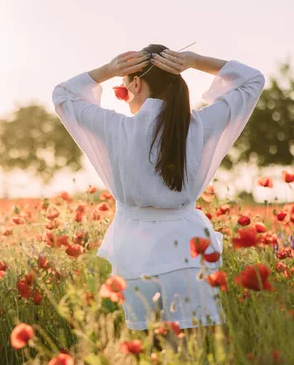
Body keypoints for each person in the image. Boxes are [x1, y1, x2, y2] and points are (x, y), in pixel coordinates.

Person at [51, 44, 265, 331]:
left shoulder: (116, 128)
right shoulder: (198, 125)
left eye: (124, 86)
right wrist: (195, 61)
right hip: (190, 252)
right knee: (194, 352)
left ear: (136, 83)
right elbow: (253, 80)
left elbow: (62, 95)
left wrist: (109, 70)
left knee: (152, 352)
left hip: (137, 255)